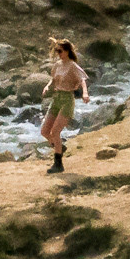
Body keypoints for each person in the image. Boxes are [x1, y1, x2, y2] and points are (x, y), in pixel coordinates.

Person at [41, 38, 89, 173]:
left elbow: (82, 79)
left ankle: (58, 164)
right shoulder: (57, 65)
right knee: (45, 131)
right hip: (56, 99)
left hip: (67, 99)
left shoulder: (72, 65)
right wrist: (47, 86)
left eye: (60, 51)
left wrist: (85, 93)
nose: (58, 53)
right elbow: (53, 79)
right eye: (57, 51)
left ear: (67, 51)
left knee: (55, 131)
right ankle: (60, 147)